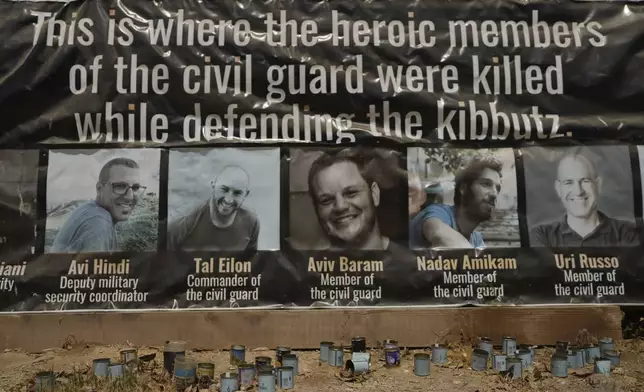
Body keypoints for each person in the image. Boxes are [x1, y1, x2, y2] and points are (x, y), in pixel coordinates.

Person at [530, 153, 639, 247]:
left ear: (598, 185)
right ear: (558, 189)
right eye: (568, 182)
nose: (578, 191)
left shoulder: (627, 232)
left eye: (585, 181)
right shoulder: (542, 235)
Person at [307, 149, 403, 251]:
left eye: (350, 193)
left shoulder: (410, 263)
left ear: (375, 194)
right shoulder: (306, 265)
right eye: (326, 200)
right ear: (316, 209)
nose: (340, 206)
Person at [51, 157, 144, 253]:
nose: (130, 196)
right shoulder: (98, 222)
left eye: (135, 187)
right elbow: (94, 267)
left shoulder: (90, 209)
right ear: (99, 188)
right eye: (120, 186)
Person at [410, 157, 503, 249]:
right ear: (463, 188)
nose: (494, 194)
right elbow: (437, 232)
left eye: (498, 188)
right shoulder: (439, 213)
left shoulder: (476, 240)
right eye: (485, 184)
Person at [167, 165, 259, 251]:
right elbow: (163, 257)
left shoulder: (252, 223)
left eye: (237, 193)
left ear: (246, 194)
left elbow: (251, 263)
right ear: (213, 185)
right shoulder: (187, 220)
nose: (228, 200)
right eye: (224, 190)